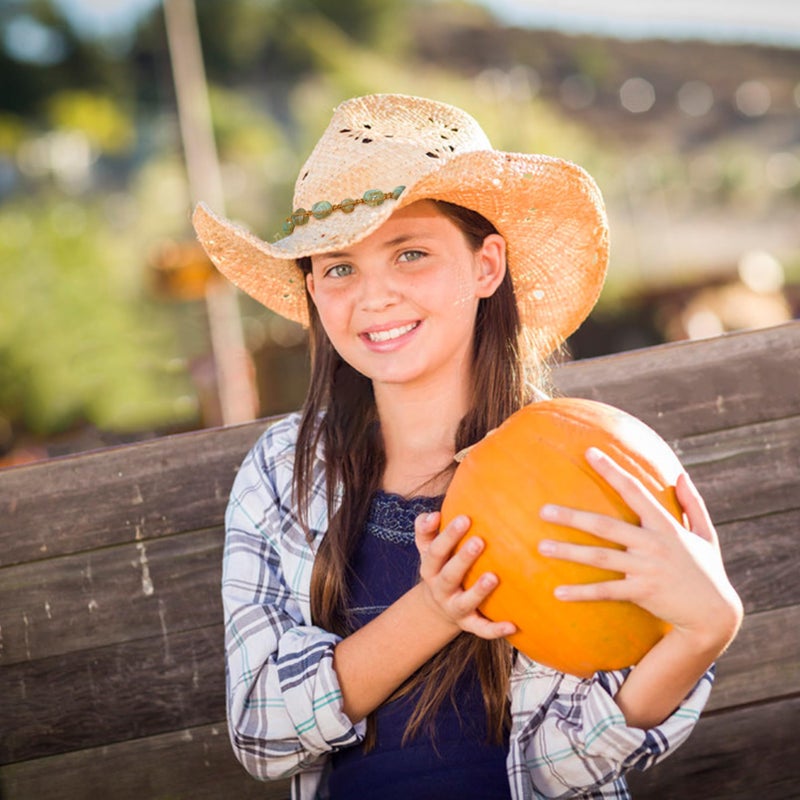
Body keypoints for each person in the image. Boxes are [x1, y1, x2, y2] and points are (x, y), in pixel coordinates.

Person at [192, 93, 743, 800]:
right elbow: (260, 734)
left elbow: (563, 769)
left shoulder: (583, 463)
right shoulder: (282, 471)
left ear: (487, 267)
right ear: (313, 292)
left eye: (411, 252)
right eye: (338, 267)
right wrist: (435, 610)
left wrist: (702, 632)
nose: (373, 296)